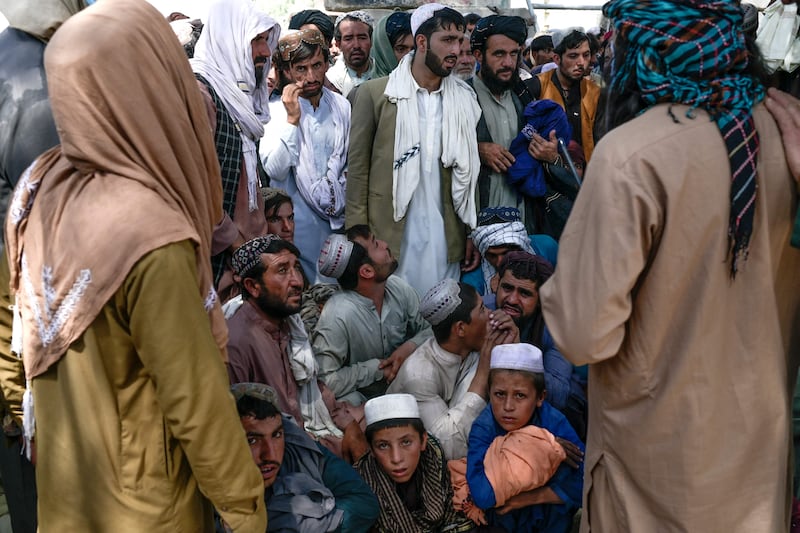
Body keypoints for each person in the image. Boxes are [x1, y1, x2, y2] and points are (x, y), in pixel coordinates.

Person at [2, 1, 269, 530]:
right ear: (147, 86)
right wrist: (246, 512)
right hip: (150, 509)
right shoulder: (149, 233)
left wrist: (41, 422)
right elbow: (197, 407)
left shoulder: (38, 191)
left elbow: (9, 340)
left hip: (66, 494)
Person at [539, 1, 800, 530]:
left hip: (658, 467)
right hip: (757, 454)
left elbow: (584, 333)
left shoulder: (632, 155)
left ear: (637, 51)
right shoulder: (785, 134)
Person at [346, 4, 482, 298]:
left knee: (441, 313)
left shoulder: (464, 99)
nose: (456, 50)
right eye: (447, 40)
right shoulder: (375, 95)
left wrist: (470, 231)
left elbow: (469, 172)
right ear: (421, 42)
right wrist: (358, 233)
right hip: (391, 233)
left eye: (460, 41)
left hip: (445, 234)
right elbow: (357, 170)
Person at [225, 235, 366, 461]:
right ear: (253, 286)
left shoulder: (287, 323)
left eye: (296, 268)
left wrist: (348, 424)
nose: (298, 281)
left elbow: (312, 387)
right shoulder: (237, 342)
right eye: (282, 270)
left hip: (308, 432)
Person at [190, 0, 278, 295]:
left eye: (266, 40)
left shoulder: (239, 99)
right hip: (216, 270)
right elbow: (194, 192)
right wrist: (237, 245)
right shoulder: (201, 95)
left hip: (247, 267)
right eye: (256, 41)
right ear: (229, 40)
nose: (265, 52)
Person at [388, 279, 519, 460]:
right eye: (482, 309)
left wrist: (515, 346)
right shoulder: (419, 375)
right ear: (461, 329)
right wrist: (482, 375)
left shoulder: (477, 346)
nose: (491, 314)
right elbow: (446, 448)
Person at [261, 28, 350, 283]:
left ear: (326, 64)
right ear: (287, 71)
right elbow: (276, 170)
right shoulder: (274, 113)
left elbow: (349, 164)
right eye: (301, 69)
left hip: (337, 225)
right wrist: (291, 121)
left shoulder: (341, 107)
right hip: (296, 229)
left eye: (317, 65)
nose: (311, 77)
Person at [233, 383, 380, 532]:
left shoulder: (298, 449)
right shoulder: (216, 497)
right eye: (252, 440)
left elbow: (364, 506)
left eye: (276, 435)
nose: (269, 454)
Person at [467, 344, 583, 533]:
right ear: (489, 392)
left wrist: (533, 497)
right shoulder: (484, 427)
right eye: (499, 394)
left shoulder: (553, 422)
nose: (508, 406)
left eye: (520, 395)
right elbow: (482, 495)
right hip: (504, 523)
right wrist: (538, 443)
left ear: (540, 397)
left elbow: (586, 483)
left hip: (548, 520)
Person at [469, 16, 564, 234]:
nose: (508, 63)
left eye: (514, 54)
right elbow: (436, 150)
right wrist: (475, 149)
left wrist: (550, 155)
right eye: (499, 54)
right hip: (477, 226)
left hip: (523, 222)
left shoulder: (525, 98)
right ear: (478, 55)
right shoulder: (462, 97)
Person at [314, 229, 432, 404]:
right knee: (345, 403)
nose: (385, 245)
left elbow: (433, 327)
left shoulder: (397, 287)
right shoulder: (337, 314)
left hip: (405, 383)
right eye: (376, 245)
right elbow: (324, 381)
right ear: (367, 271)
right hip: (361, 398)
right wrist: (376, 370)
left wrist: (409, 347)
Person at [494, 252, 586, 440]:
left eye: (525, 293)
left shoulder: (556, 326)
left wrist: (518, 350)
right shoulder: (483, 310)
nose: (512, 300)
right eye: (507, 288)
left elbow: (560, 394)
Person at [355, 393, 476, 532]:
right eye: (383, 445)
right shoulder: (361, 486)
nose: (396, 458)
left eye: (406, 442)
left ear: (423, 441)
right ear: (371, 450)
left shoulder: (434, 459)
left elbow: (452, 516)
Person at [527, 29, 601, 162]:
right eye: (573, 56)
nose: (581, 62)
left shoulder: (595, 93)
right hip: (544, 173)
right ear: (556, 58)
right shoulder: (536, 86)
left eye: (586, 55)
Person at [464, 207, 558, 302]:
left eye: (506, 253)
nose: (499, 262)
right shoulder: (473, 281)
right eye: (492, 256)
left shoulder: (546, 247)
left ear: (519, 247)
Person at [326, 11, 376, 97]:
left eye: (362, 38)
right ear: (338, 44)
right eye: (348, 39)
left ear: (371, 41)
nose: (356, 45)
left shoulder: (384, 75)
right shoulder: (330, 81)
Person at [371, 11, 413, 77]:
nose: (409, 56)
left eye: (414, 49)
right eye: (401, 49)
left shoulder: (429, 85)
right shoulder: (368, 87)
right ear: (384, 52)